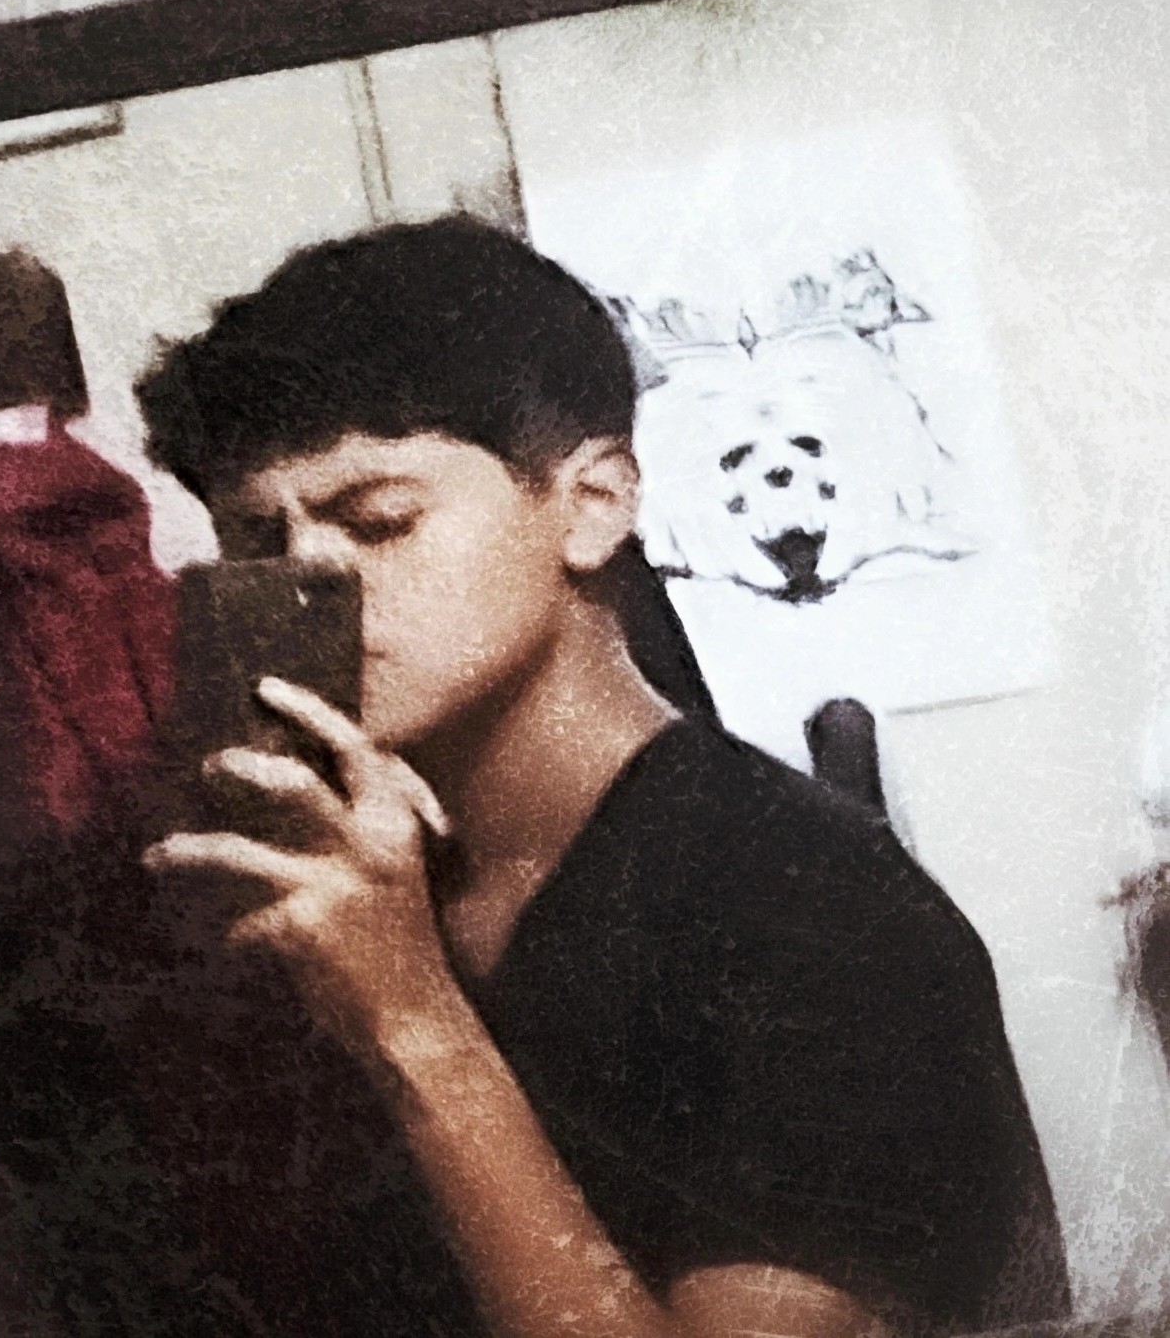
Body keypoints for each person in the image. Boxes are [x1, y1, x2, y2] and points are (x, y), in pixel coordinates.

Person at [133, 217, 1071, 1338]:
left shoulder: (818, 912)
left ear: (593, 504)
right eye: (256, 540)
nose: (311, 574)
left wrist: (413, 1022)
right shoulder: (351, 880)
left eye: (379, 520)